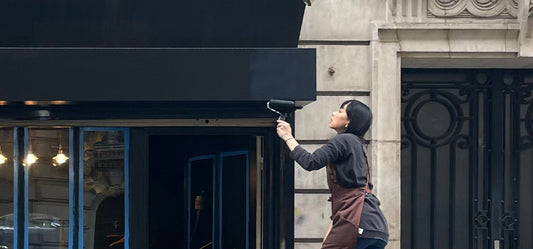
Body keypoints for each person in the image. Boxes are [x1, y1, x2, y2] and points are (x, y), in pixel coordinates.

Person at [276, 100, 388, 249]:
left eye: (341, 111)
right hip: (374, 227)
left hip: (357, 222)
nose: (334, 113)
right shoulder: (356, 145)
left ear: (349, 121)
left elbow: (311, 162)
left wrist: (288, 137)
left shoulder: (344, 140)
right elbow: (354, 193)